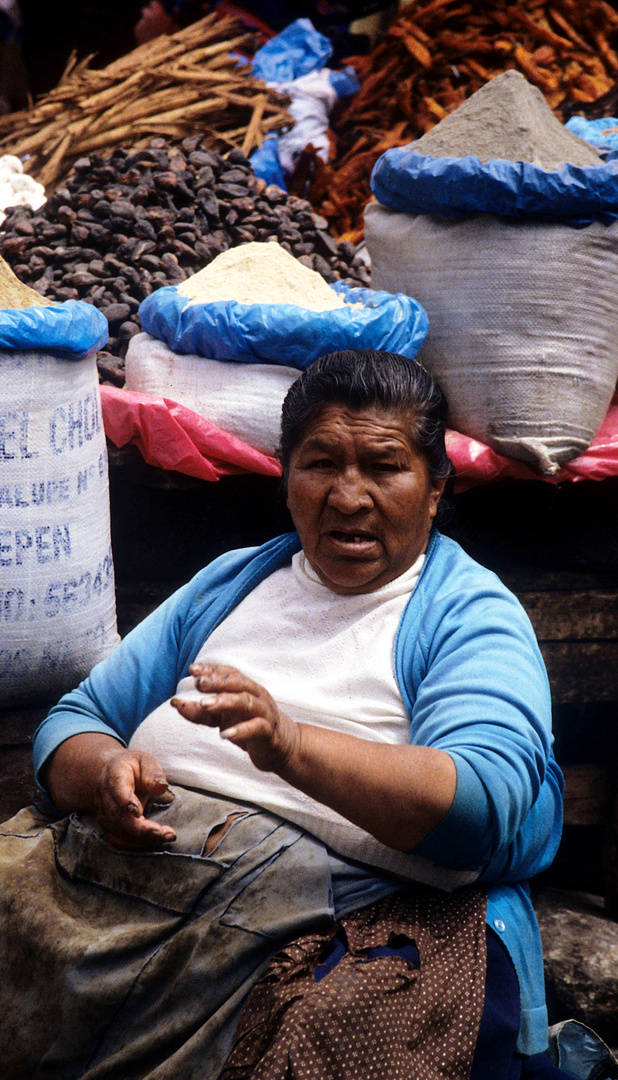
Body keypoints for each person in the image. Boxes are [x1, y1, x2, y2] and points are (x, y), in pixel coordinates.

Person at [0, 349, 569, 1080]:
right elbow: (70, 723)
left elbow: (478, 810)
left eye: (385, 466)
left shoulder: (469, 615)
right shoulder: (234, 581)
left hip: (319, 916)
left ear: (435, 490)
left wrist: (291, 746)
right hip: (130, 878)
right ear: (286, 475)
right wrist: (107, 768)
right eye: (321, 462)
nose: (348, 495)